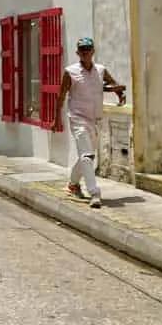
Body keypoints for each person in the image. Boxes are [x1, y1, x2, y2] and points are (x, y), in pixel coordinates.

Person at [53, 37, 126, 209]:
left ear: (93, 51)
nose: (85, 52)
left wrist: (119, 94)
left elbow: (111, 84)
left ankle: (72, 184)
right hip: (78, 118)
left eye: (88, 49)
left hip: (95, 119)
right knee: (87, 155)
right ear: (78, 52)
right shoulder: (70, 72)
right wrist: (57, 119)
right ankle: (95, 193)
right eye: (82, 50)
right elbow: (61, 96)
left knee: (87, 155)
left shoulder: (100, 70)